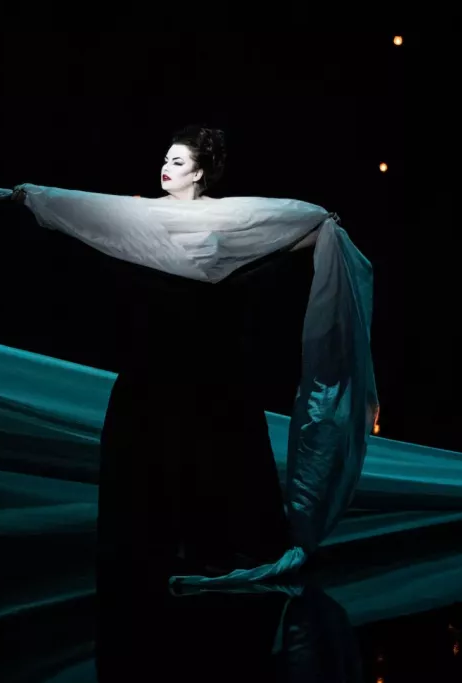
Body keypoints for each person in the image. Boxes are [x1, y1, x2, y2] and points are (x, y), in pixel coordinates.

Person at [17, 125, 321, 585]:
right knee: (148, 443)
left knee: (212, 445)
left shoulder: (225, 216)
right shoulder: (143, 212)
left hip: (208, 354)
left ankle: (214, 545)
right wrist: (38, 199)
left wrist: (321, 226)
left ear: (198, 172)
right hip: (156, 351)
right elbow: (86, 212)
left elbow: (277, 235)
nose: (165, 167)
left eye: (177, 161)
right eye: (165, 159)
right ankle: (146, 549)